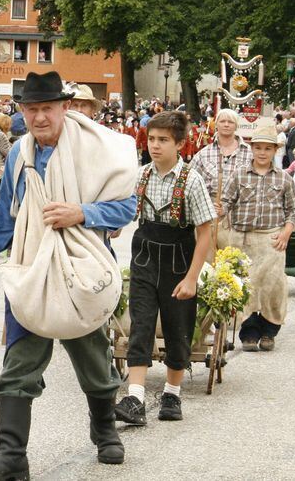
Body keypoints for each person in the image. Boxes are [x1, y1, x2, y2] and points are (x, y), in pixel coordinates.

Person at [0, 71, 138, 478]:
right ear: (22, 112)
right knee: (19, 359)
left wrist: (83, 213)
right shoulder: (18, 157)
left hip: (81, 267)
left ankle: (106, 431)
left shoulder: (92, 150)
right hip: (30, 264)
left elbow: (126, 208)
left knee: (92, 355)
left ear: (64, 108)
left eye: (47, 108)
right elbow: (6, 218)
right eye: (32, 109)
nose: (40, 117)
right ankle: (11, 456)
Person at [115, 111, 215, 426]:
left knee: (178, 328)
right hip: (145, 255)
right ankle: (136, 398)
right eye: (152, 139)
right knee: (140, 325)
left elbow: (206, 233)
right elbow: (125, 215)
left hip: (179, 258)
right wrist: (111, 226)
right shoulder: (140, 176)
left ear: (180, 144)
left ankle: (172, 392)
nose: (155, 146)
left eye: (163, 140)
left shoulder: (192, 180)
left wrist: (192, 278)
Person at [217, 125, 295, 352]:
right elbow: (226, 202)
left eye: (267, 148)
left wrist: (286, 232)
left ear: (275, 150)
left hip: (272, 239)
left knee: (272, 285)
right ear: (251, 149)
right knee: (246, 287)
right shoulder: (238, 175)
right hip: (242, 238)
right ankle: (249, 334)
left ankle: (269, 332)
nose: (262, 152)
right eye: (258, 148)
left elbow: (294, 210)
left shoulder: (284, 179)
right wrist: (219, 211)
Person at [191, 108, 253, 203]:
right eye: (222, 121)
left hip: (241, 209)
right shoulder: (203, 154)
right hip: (211, 210)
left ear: (236, 126)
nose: (226, 125)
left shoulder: (250, 153)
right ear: (216, 125)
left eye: (231, 122)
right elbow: (190, 181)